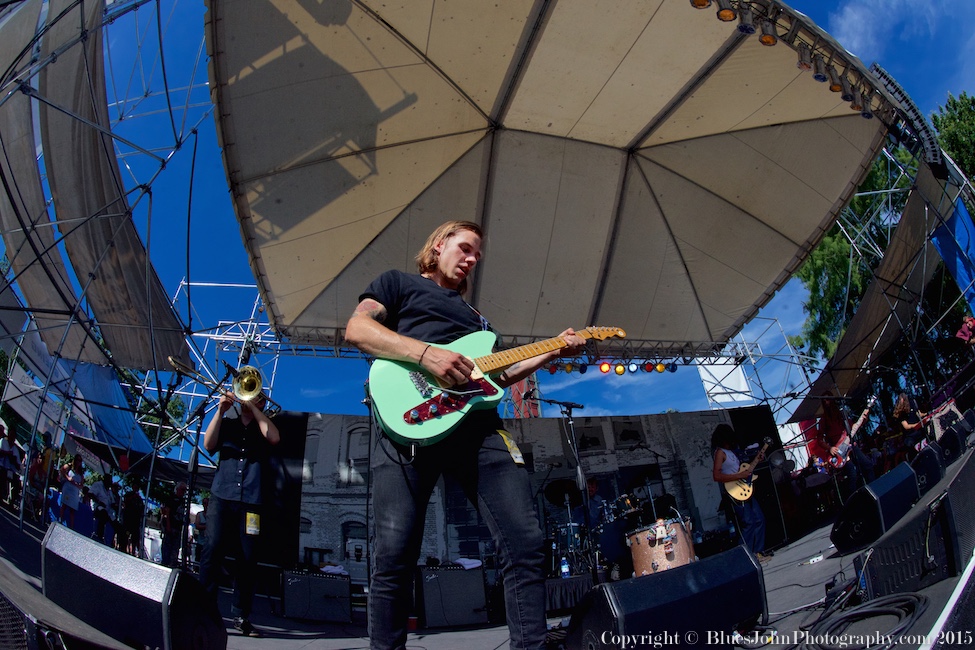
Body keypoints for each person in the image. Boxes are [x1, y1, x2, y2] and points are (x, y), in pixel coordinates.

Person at [345, 220, 585, 650]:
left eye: (477, 254)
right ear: (439, 245)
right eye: (466, 248)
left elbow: (500, 375)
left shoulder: (479, 322)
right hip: (409, 425)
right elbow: (358, 330)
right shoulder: (397, 284)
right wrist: (426, 354)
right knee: (394, 555)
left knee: (525, 541)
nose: (473, 259)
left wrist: (552, 350)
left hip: (478, 428)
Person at [199, 392, 280, 638]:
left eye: (255, 397)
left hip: (252, 501)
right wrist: (220, 410)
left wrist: (253, 408)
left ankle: (242, 615)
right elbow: (208, 445)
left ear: (262, 402)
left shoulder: (263, 426)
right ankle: (203, 608)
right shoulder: (228, 424)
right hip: (222, 496)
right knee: (212, 549)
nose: (247, 399)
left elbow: (274, 437)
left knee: (248, 557)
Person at [711, 424, 769, 562]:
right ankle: (743, 558)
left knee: (759, 519)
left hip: (745, 488)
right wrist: (739, 476)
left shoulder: (733, 451)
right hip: (734, 491)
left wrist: (756, 460)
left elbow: (743, 470)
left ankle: (758, 552)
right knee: (748, 523)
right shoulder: (720, 452)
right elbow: (716, 476)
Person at [160, 481, 187, 567]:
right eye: (182, 490)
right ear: (178, 489)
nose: (183, 492)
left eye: (185, 490)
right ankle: (165, 564)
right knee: (167, 548)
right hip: (170, 527)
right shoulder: (171, 499)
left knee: (175, 550)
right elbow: (166, 512)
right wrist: (168, 525)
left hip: (178, 528)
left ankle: (172, 564)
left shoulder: (183, 501)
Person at [88, 473, 117, 545]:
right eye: (109, 481)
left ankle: (113, 543)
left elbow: (112, 503)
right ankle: (99, 535)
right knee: (103, 514)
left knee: (117, 525)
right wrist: (99, 502)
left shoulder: (109, 491)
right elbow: (90, 494)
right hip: (98, 507)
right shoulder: (98, 485)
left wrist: (117, 506)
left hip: (108, 511)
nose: (110, 483)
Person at [58, 454, 84, 530]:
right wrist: (68, 477)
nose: (78, 462)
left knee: (72, 510)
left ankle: (71, 527)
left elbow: (82, 485)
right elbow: (61, 470)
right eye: (77, 460)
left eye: (80, 461)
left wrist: (76, 484)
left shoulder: (81, 473)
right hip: (68, 488)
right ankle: (60, 520)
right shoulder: (69, 466)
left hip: (75, 491)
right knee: (64, 505)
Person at [0, 425, 23, 508]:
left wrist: (14, 460)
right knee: (2, 475)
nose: (12, 437)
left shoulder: (15, 449)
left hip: (10, 470)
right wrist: (7, 453)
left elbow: (18, 464)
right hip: (1, 466)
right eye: (11, 435)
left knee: (17, 483)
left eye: (13, 436)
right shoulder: (3, 441)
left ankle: (11, 502)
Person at [193, 496, 209, 564]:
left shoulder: (212, 516)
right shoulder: (199, 514)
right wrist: (207, 527)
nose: (206, 505)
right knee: (198, 560)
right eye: (204, 503)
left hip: (209, 544)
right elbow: (197, 525)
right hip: (200, 542)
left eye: (207, 503)